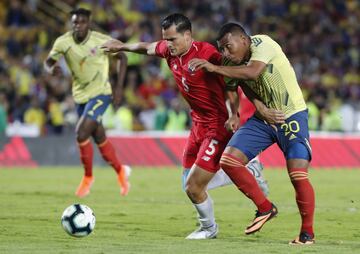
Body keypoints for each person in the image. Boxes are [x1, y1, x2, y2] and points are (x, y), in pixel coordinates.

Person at [102, 13, 276, 239]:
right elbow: (146, 47)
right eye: (166, 39)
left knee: (193, 186)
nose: (168, 44)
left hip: (217, 125)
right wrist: (122, 46)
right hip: (198, 124)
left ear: (187, 36)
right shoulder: (168, 50)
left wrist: (235, 113)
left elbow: (233, 83)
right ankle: (248, 170)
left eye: (172, 39)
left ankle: (209, 228)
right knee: (188, 183)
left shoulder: (209, 55)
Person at [189, 22, 315, 245]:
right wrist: (236, 113)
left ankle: (307, 234)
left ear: (244, 40)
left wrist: (213, 67)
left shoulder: (263, 43)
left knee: (297, 175)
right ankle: (265, 208)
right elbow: (233, 87)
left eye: (229, 46)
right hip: (264, 118)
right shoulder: (230, 63)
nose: (226, 53)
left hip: (291, 115)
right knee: (229, 160)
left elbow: (252, 72)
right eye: (222, 50)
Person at [44, 8, 130, 198]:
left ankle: (87, 178)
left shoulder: (101, 40)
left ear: (89, 23)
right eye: (75, 22)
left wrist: (119, 88)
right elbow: (48, 61)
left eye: (82, 22)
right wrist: (51, 69)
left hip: (102, 93)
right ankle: (121, 172)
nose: (78, 25)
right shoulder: (63, 42)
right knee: (100, 139)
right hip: (80, 96)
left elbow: (123, 56)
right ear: (71, 23)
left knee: (81, 132)